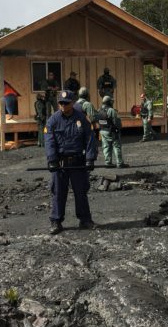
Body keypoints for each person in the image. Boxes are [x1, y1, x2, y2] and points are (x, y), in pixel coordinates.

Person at [45, 90, 97, 235]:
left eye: (66, 103)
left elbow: (90, 139)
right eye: (61, 103)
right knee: (58, 192)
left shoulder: (82, 118)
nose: (63, 105)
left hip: (78, 162)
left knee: (81, 192)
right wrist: (52, 159)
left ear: (72, 103)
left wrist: (90, 158)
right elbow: (49, 141)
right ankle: (56, 221)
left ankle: (85, 219)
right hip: (60, 164)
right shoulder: (53, 120)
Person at [97, 95, 128, 168]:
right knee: (116, 146)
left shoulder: (99, 110)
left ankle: (108, 163)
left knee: (106, 147)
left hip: (102, 131)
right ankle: (119, 163)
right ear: (109, 102)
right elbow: (116, 122)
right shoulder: (111, 110)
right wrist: (118, 128)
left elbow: (98, 120)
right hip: (111, 131)